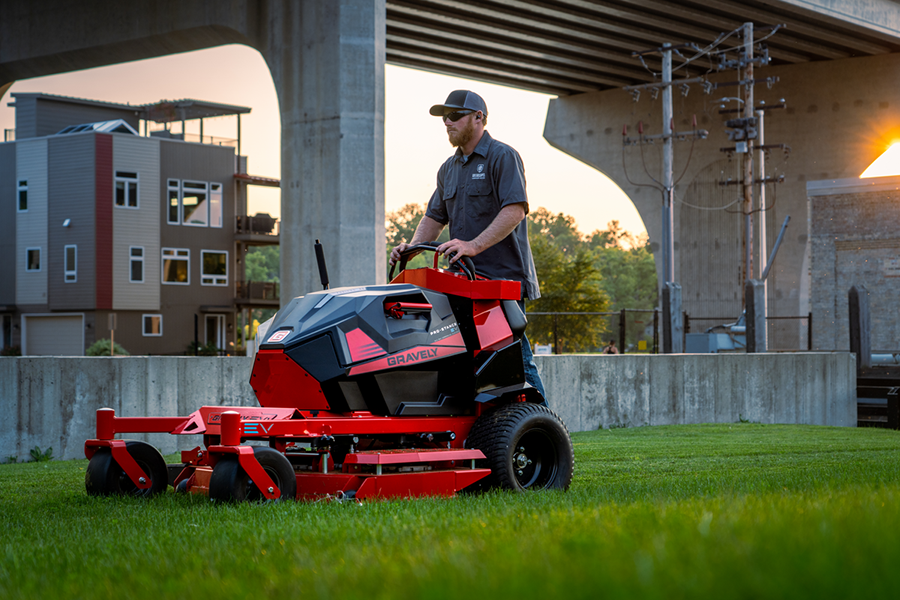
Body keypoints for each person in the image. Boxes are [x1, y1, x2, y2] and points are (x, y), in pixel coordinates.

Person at [389, 90, 547, 405]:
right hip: (462, 282)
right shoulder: (448, 168)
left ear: (479, 118)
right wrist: (412, 247)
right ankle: (495, 432)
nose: (447, 122)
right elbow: (434, 216)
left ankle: (544, 430)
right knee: (468, 362)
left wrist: (473, 245)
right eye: (444, 117)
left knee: (515, 361)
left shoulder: (503, 156)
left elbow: (515, 209)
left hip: (501, 281)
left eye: (454, 115)